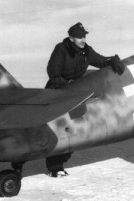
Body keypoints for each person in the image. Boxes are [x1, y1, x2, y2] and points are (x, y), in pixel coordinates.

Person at [45, 22, 125, 177]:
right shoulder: (61, 49)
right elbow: (53, 72)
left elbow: (100, 61)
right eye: (79, 37)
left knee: (75, 129)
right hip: (57, 91)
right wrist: (66, 84)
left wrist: (111, 61)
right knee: (59, 128)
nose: (83, 40)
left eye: (84, 36)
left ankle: (62, 159)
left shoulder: (86, 51)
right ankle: (54, 167)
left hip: (75, 94)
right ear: (71, 38)